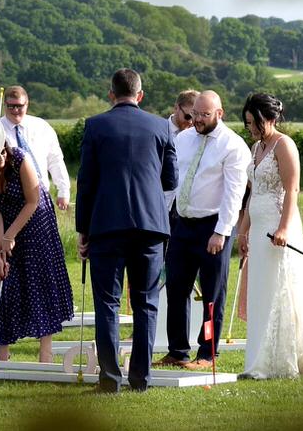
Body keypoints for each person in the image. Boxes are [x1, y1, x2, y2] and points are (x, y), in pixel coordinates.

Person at [75, 68, 178, 392]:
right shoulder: (161, 126)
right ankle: (141, 379)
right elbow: (171, 180)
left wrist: (83, 229)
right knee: (146, 303)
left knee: (108, 303)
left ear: (111, 94)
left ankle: (110, 379)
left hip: (106, 225)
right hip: (150, 225)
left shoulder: (95, 125)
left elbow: (87, 182)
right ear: (140, 94)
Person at [0, 114, 74, 363]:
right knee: (5, 281)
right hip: (7, 220)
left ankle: (46, 353)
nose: (1, 157)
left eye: (2, 151)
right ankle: (3, 355)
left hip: (36, 220)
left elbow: (33, 201)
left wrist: (11, 235)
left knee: (39, 281)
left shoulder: (19, 159)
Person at [239, 92, 303, 379]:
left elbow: (292, 189)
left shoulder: (284, 145)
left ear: (270, 118)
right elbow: (252, 192)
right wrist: (243, 230)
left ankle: (281, 360)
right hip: (257, 228)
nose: (252, 129)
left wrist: (283, 228)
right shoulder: (256, 148)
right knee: (260, 293)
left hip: (279, 228)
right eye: (248, 123)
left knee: (281, 290)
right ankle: (258, 362)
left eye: (255, 123)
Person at [156, 90, 250, 371]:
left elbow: (234, 195)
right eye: (194, 114)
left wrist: (221, 232)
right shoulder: (182, 139)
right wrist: (164, 220)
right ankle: (177, 351)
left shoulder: (233, 146)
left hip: (213, 226)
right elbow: (173, 183)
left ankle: (208, 353)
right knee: (176, 288)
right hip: (181, 224)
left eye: (204, 115)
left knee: (212, 294)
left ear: (219, 114)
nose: (196, 119)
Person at [0, 86, 71, 212]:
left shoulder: (41, 127)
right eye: (11, 106)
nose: (15, 110)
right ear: (5, 105)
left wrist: (63, 190)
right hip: (10, 201)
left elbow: (55, 160)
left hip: (42, 196)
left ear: (27, 104)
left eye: (19, 106)